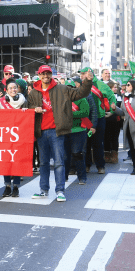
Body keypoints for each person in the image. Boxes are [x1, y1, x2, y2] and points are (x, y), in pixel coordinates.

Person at [27, 65, 93, 202]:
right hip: (41, 132)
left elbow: (80, 93)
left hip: (57, 131)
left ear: (51, 75)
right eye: (43, 73)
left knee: (59, 162)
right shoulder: (33, 93)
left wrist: (87, 81)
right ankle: (43, 190)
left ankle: (60, 190)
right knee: (43, 163)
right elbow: (29, 108)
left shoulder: (62, 89)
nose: (46, 76)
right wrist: (34, 108)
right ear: (39, 75)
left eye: (48, 73)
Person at [0, 79, 28, 197]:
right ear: (6, 90)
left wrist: (27, 111)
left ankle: (16, 187)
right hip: (5, 135)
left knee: (17, 161)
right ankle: (7, 185)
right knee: (6, 161)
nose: (13, 90)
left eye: (15, 87)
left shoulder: (24, 101)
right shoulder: (1, 102)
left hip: (19, 135)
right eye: (10, 88)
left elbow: (29, 115)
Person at [80, 67, 116, 175]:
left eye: (83, 73)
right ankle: (87, 165)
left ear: (89, 74)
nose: (81, 76)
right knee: (85, 143)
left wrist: (112, 106)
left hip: (99, 117)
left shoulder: (100, 85)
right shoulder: (81, 85)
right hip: (85, 118)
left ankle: (100, 166)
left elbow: (111, 95)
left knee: (97, 143)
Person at [62, 81, 92, 185]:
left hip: (78, 130)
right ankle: (64, 177)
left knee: (77, 154)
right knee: (65, 156)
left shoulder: (81, 99)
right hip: (64, 130)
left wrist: (70, 114)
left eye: (71, 88)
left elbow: (85, 112)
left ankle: (82, 177)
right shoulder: (60, 99)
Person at [104, 80, 123, 164]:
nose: (116, 88)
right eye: (114, 87)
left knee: (114, 138)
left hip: (116, 120)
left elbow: (121, 108)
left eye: (116, 87)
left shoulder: (119, 97)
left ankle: (114, 154)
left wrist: (112, 112)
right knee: (106, 138)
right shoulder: (104, 97)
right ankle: (107, 153)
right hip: (106, 120)